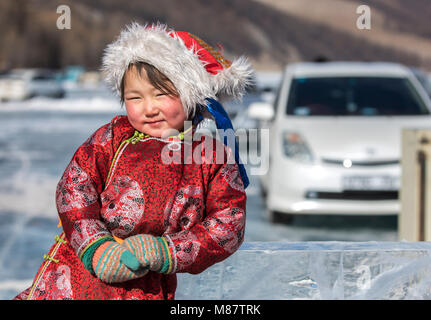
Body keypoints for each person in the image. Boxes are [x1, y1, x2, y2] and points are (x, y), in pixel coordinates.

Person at [14, 22, 253, 300]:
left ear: (192, 95)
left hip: (145, 285)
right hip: (77, 277)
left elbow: (228, 223)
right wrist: (96, 247)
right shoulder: (113, 138)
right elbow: (74, 188)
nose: (149, 108)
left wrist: (165, 252)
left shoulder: (212, 157)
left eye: (161, 94)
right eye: (134, 97)